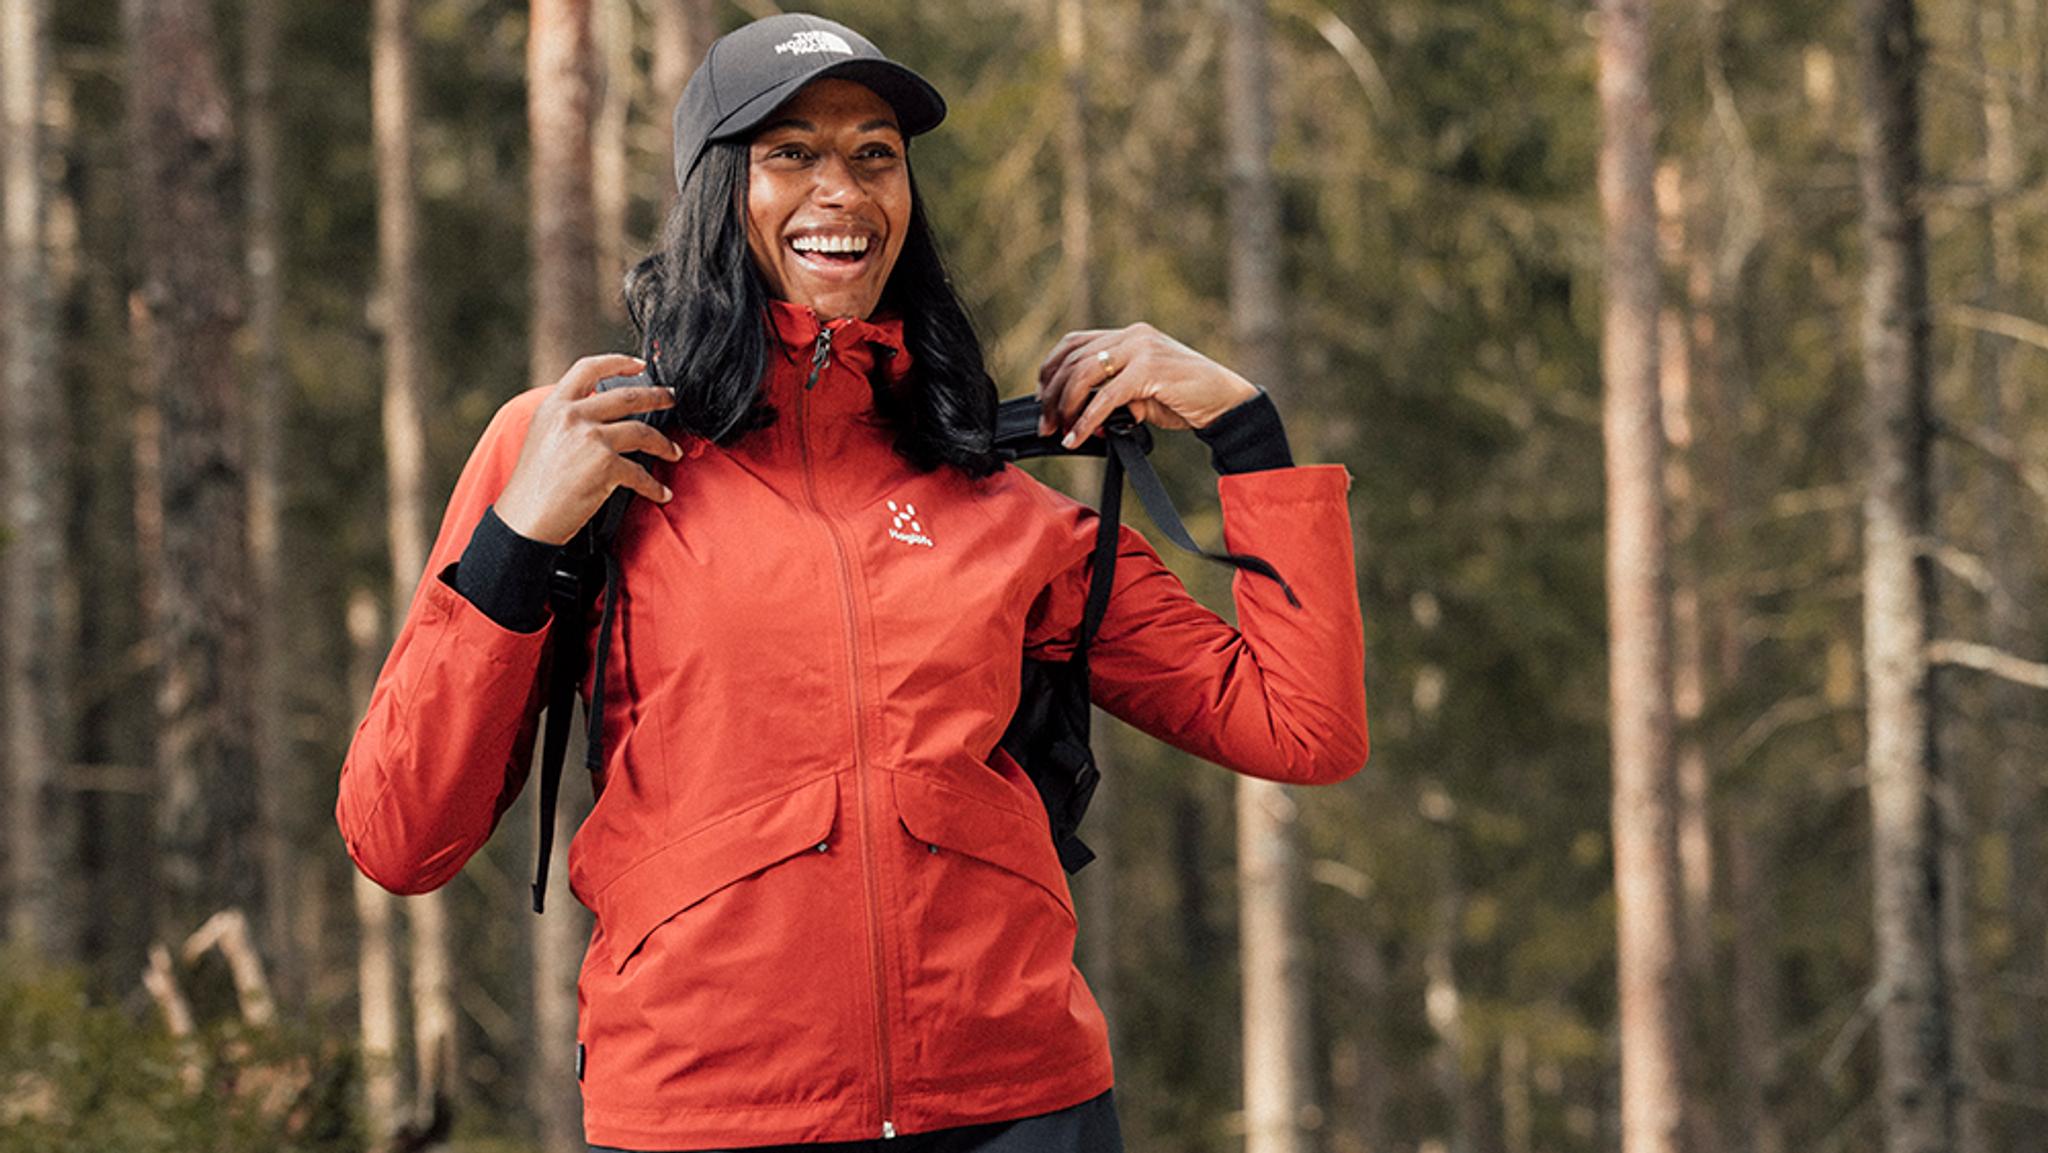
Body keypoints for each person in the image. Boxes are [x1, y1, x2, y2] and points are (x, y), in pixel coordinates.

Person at [336, 12, 1367, 1153]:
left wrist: (1244, 432)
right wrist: (518, 535)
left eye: (874, 154)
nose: (843, 190)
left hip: (1020, 1108)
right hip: (705, 1111)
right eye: (790, 154)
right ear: (713, 193)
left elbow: (1300, 725)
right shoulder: (583, 449)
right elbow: (399, 834)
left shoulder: (996, 495)